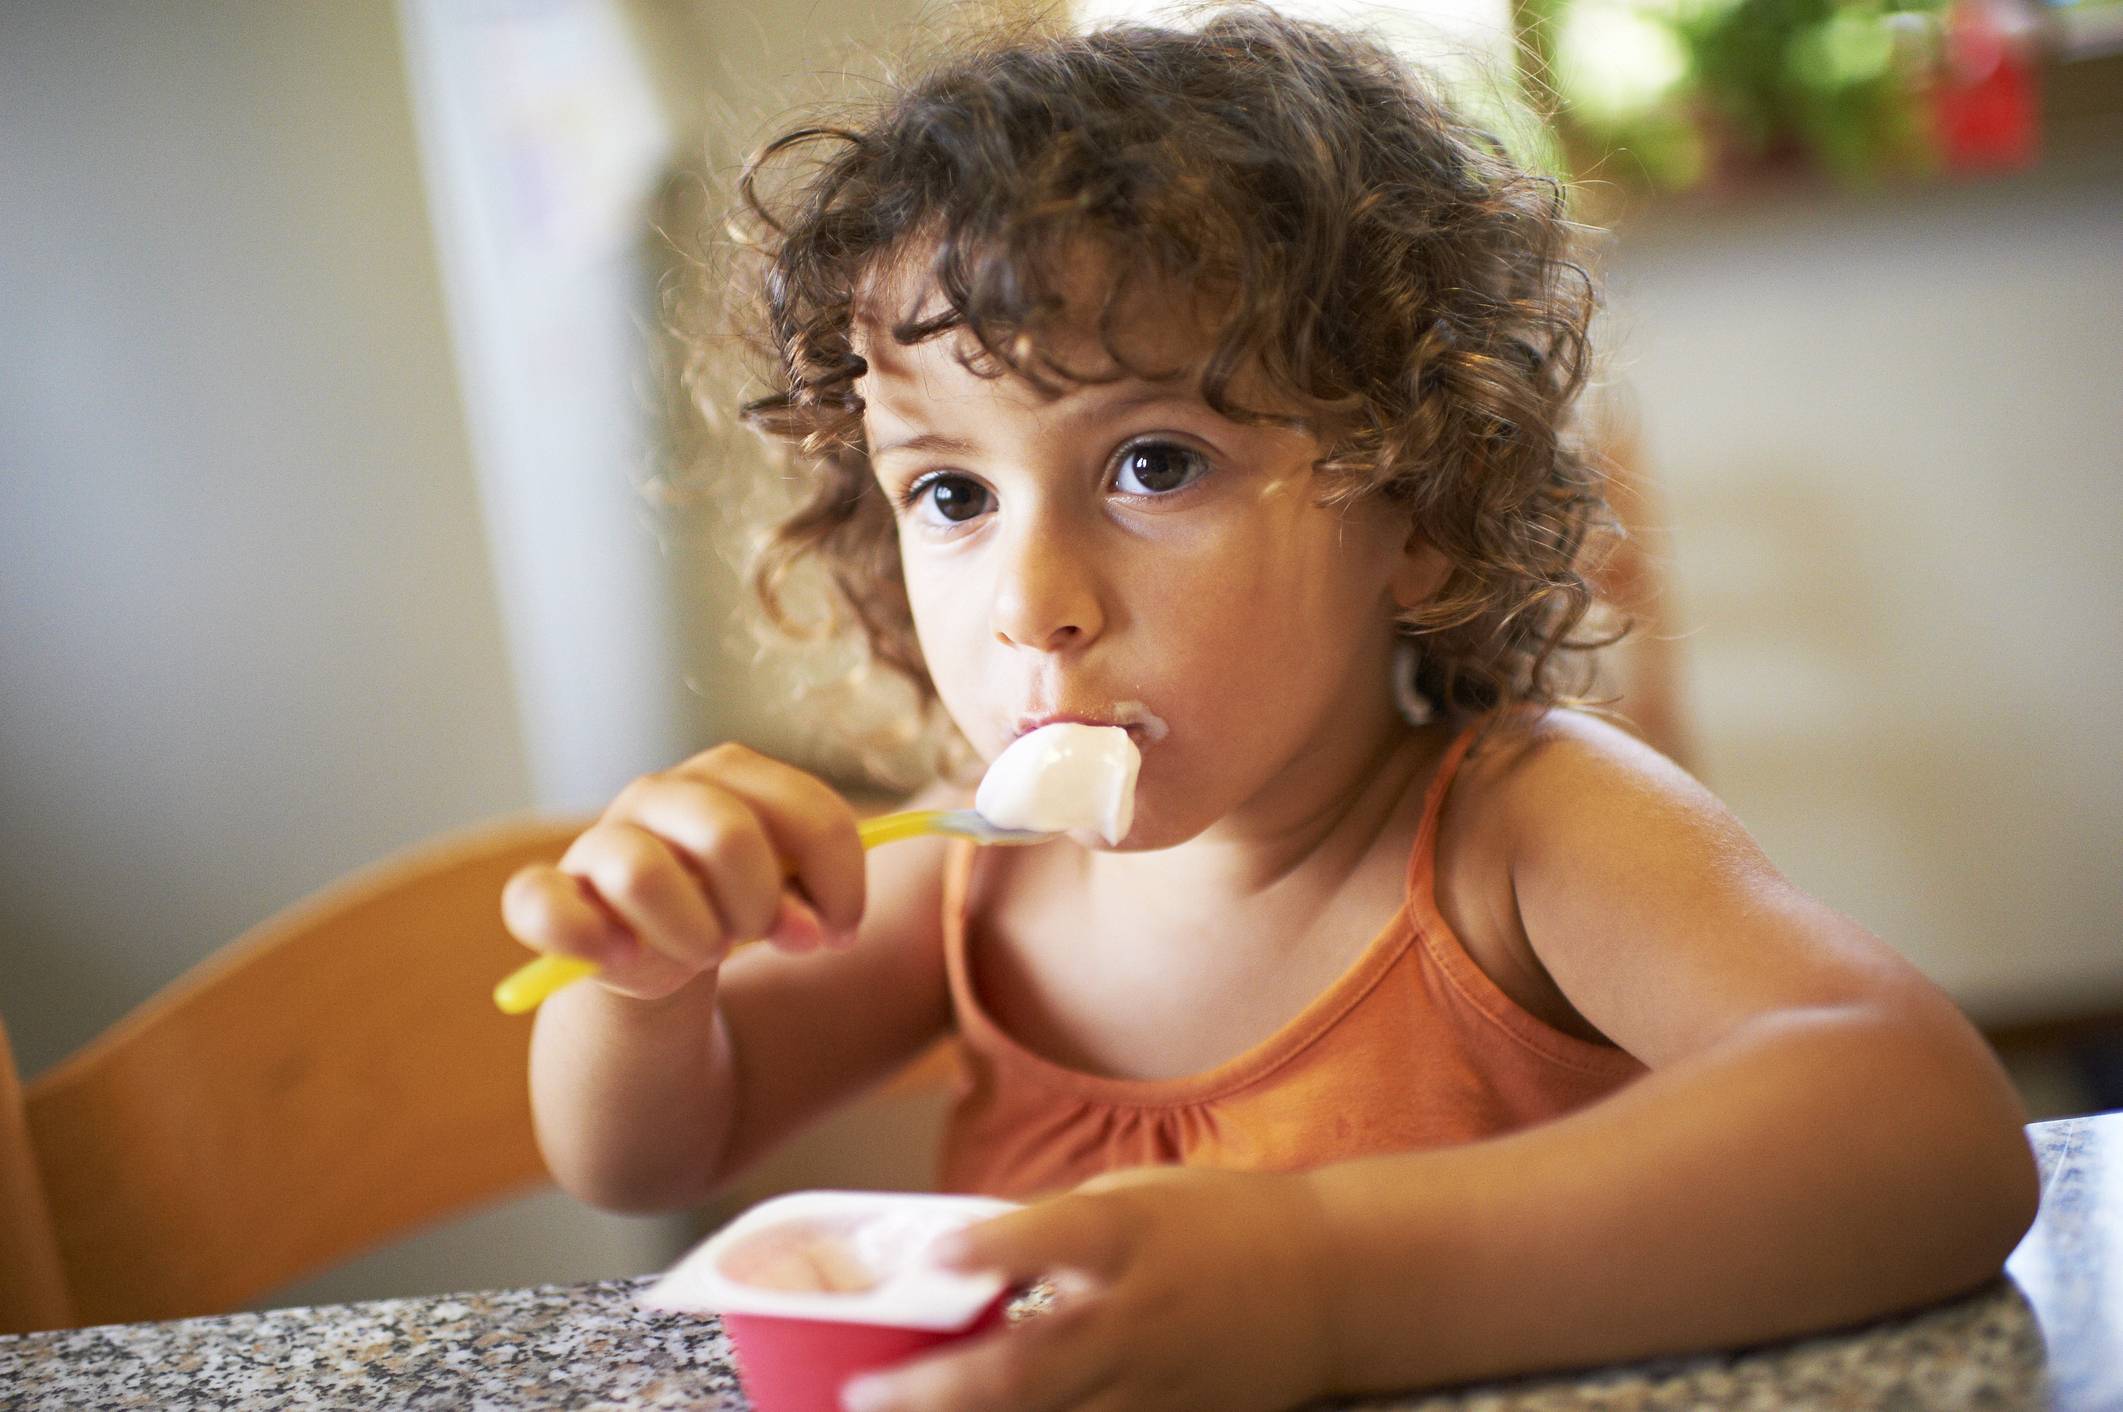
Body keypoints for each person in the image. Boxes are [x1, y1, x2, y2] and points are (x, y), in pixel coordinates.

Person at [502, 8, 2037, 1410]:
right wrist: (646, 981)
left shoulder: (1526, 834)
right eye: (952, 491)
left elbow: (1930, 1132)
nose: (1033, 596)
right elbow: (645, 1150)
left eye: (1153, 464)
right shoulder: (973, 888)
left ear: (1413, 505)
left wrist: (1321, 1285)